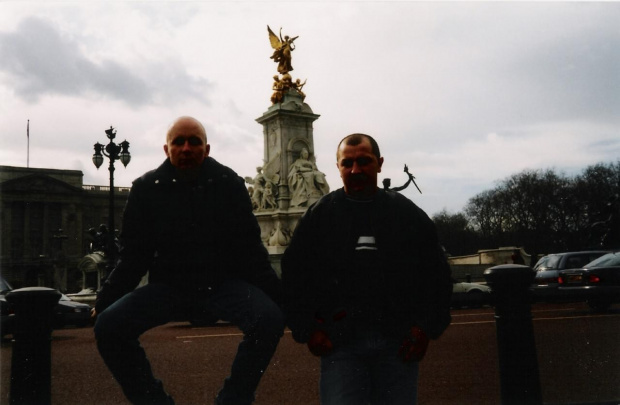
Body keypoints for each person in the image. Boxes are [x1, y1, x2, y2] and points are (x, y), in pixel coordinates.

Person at [93, 116, 284, 405]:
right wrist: (105, 300)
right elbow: (133, 256)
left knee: (269, 320)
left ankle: (233, 400)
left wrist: (280, 298)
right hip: (170, 287)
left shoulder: (229, 183)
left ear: (206, 150)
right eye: (178, 142)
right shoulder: (145, 188)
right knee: (108, 326)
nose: (186, 148)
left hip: (222, 284)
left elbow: (250, 251)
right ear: (166, 149)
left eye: (194, 142)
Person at [281, 133, 452, 405]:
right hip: (341, 343)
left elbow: (437, 275)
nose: (355, 170)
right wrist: (307, 330)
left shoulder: (407, 214)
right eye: (347, 163)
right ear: (337, 167)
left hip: (398, 341)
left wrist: (425, 328)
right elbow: (294, 276)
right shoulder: (320, 215)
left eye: (364, 161)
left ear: (380, 163)